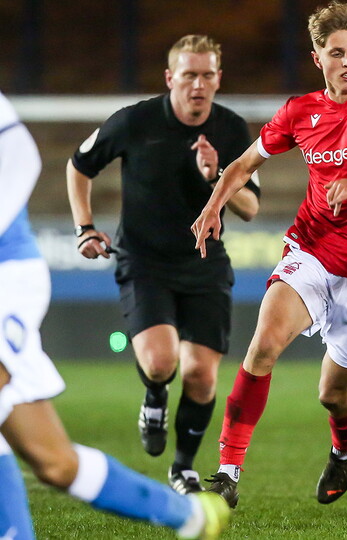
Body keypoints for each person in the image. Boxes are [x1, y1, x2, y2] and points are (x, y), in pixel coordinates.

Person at [190, 1, 347, 509]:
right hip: (312, 250)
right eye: (336, 53)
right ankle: (226, 471)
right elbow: (242, 165)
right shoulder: (299, 111)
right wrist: (212, 206)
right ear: (317, 58)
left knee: (332, 394)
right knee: (263, 344)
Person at [0, 90, 230, 540]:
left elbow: (18, 156)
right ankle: (188, 516)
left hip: (5, 277)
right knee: (55, 462)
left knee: (51, 458)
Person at [66, 35, 260, 494]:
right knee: (160, 363)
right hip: (145, 261)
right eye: (189, 75)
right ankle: (155, 397)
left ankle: (183, 467)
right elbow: (79, 166)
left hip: (205, 263)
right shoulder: (135, 121)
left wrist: (217, 179)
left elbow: (251, 208)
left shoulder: (232, 129)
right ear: (170, 78)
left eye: (207, 75)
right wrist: (85, 228)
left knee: (201, 375)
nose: (198, 84)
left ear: (218, 79)